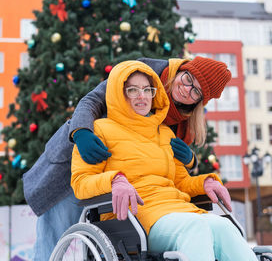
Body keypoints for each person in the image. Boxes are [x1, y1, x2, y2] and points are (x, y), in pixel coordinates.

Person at [23, 56, 232, 260]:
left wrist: (191, 160)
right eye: (188, 80)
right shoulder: (144, 72)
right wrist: (81, 132)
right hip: (82, 157)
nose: (187, 89)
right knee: (52, 237)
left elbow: (170, 166)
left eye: (196, 92)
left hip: (125, 184)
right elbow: (93, 100)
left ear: (200, 101)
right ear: (184, 69)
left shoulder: (182, 115)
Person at [71, 60, 257, 261]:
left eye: (147, 90)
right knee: (195, 227)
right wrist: (114, 181)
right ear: (119, 93)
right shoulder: (99, 130)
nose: (142, 96)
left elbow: (181, 182)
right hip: (135, 219)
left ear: (155, 93)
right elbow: (81, 183)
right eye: (133, 90)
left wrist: (206, 182)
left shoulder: (166, 134)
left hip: (177, 210)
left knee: (224, 226)